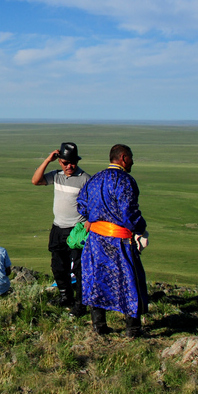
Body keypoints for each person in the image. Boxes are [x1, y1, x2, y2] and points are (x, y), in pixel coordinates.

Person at [77, 144, 149, 337]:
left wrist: (95, 218)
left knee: (96, 280)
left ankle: (98, 326)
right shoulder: (125, 181)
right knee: (129, 281)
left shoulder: (95, 179)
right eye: (131, 157)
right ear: (123, 158)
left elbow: (82, 205)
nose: (133, 161)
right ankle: (132, 329)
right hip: (119, 242)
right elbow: (129, 212)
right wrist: (141, 228)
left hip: (95, 241)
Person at [31, 142, 91, 316]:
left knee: (79, 269)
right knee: (58, 266)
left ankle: (81, 304)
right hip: (58, 227)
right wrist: (47, 160)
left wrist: (90, 222)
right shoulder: (56, 176)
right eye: (65, 163)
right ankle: (66, 297)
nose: (69, 166)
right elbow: (35, 180)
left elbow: (95, 203)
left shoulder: (85, 179)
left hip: (77, 230)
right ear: (59, 162)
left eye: (72, 162)